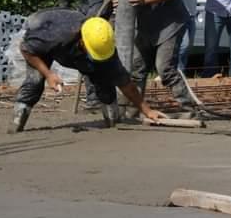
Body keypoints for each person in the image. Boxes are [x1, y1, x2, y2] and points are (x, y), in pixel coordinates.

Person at [88, 0, 197, 116]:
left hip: (169, 23)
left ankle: (190, 110)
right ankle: (133, 110)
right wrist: (117, 4)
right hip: (146, 25)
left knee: (165, 68)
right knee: (137, 68)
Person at [9, 11, 166, 133]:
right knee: (35, 81)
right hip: (42, 28)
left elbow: (125, 83)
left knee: (102, 76)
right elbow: (26, 49)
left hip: (72, 43)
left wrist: (147, 110)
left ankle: (112, 121)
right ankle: (18, 122)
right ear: (82, 42)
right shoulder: (55, 36)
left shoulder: (103, 44)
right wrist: (49, 74)